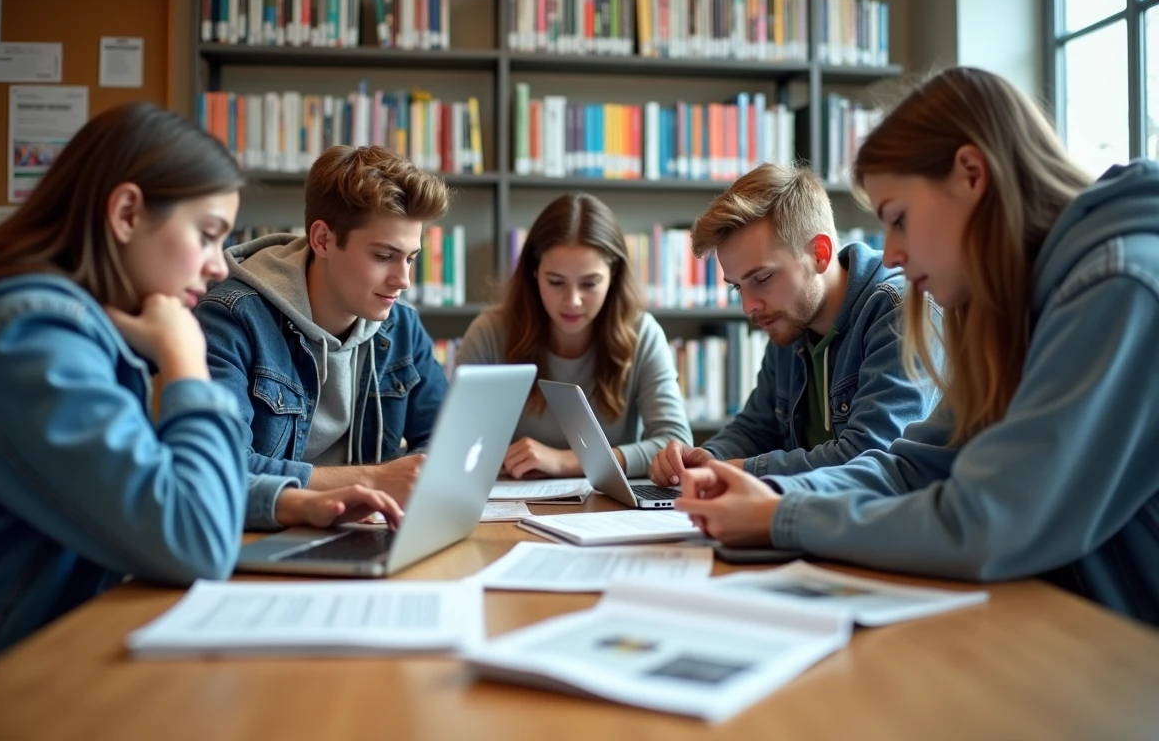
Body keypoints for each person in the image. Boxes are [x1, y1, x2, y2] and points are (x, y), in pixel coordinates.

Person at [675, 67, 1159, 626]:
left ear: (971, 175)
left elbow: (988, 523)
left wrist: (784, 518)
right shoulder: (1005, 312)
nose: (893, 253)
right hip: (1051, 623)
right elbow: (914, 468)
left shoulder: (1118, 287)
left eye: (899, 219)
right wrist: (776, 497)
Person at [0, 104, 400, 674]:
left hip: (61, 645)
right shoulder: (32, 343)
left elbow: (147, 484)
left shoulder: (87, 329)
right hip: (6, 680)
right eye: (208, 235)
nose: (220, 266)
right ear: (125, 213)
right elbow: (195, 540)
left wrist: (287, 502)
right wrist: (186, 366)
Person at [196, 145, 450, 529]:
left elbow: (443, 439)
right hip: (264, 538)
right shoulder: (230, 317)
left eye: (411, 258)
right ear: (323, 240)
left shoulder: (402, 326)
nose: (404, 280)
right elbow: (224, 466)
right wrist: (373, 481)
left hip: (362, 532)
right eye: (384, 256)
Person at [650, 163, 941, 487]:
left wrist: (736, 472)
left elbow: (870, 458)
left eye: (762, 278)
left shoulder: (900, 311)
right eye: (737, 286)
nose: (749, 307)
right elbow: (755, 428)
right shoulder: (788, 321)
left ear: (819, 253)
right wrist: (704, 459)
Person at [455, 193, 691, 478]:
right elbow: (455, 443)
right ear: (533, 272)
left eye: (589, 284)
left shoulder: (643, 333)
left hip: (610, 512)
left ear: (613, 275)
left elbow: (676, 445)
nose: (573, 301)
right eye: (556, 282)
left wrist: (566, 461)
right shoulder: (490, 332)